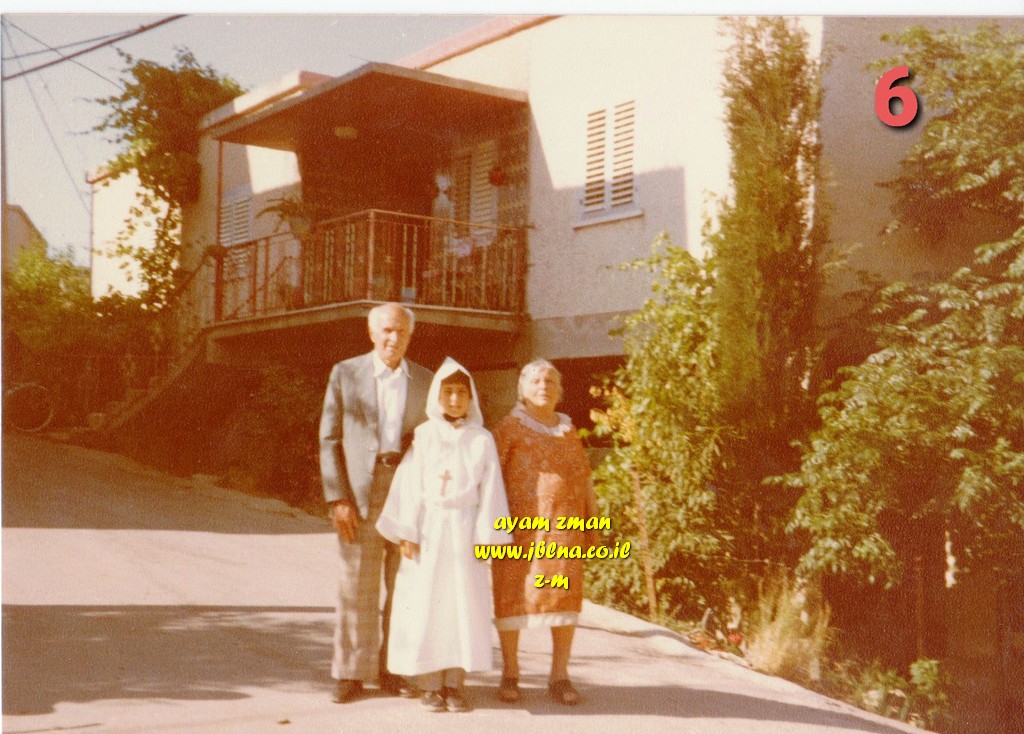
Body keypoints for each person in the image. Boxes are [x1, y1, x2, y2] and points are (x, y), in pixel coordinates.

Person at [376, 358, 511, 713]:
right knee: (427, 605)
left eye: (461, 393)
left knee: (461, 607)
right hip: (429, 530)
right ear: (437, 395)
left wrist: (488, 538)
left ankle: (454, 684)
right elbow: (409, 485)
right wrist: (406, 530)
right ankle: (429, 684)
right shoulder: (424, 436)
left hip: (465, 531)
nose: (454, 399)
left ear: (470, 397)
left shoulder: (482, 439)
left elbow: (491, 490)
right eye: (448, 392)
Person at [319, 302, 432, 704]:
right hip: (361, 489)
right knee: (357, 584)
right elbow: (329, 438)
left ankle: (394, 669)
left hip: (408, 486)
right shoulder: (346, 373)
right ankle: (350, 673)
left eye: (401, 331)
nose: (393, 338)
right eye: (386, 330)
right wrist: (338, 497)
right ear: (371, 333)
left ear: (410, 335)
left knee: (405, 583)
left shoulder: (425, 380)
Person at [490, 358, 598, 706]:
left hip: (565, 531)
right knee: (512, 596)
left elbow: (585, 479)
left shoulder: (568, 430)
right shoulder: (508, 428)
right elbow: (490, 479)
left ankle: (559, 675)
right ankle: (510, 672)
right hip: (518, 531)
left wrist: (593, 522)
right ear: (522, 389)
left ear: (559, 391)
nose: (543, 386)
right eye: (536, 381)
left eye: (550, 381)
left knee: (563, 597)